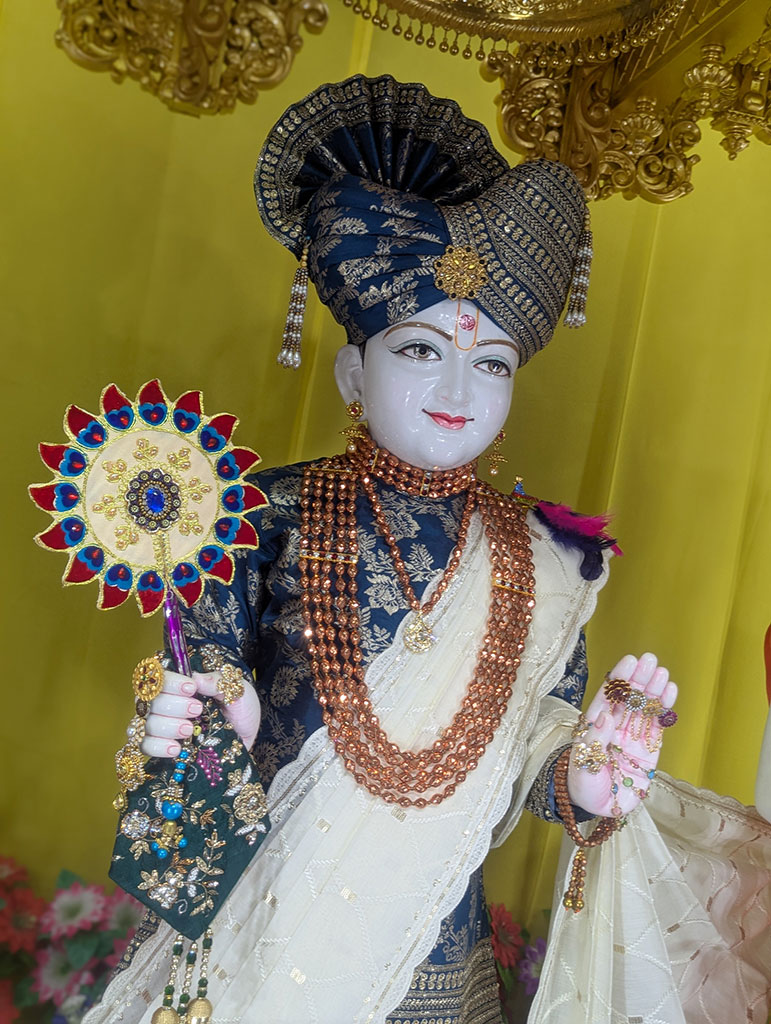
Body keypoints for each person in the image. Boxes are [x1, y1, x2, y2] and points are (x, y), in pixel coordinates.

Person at [86, 76, 769, 1024]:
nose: (458, 385)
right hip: (263, 950)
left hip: (444, 974)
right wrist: (203, 753)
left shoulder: (545, 559)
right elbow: (176, 850)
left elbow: (532, 752)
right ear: (350, 373)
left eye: (490, 362)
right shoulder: (253, 517)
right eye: (417, 350)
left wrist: (583, 774)